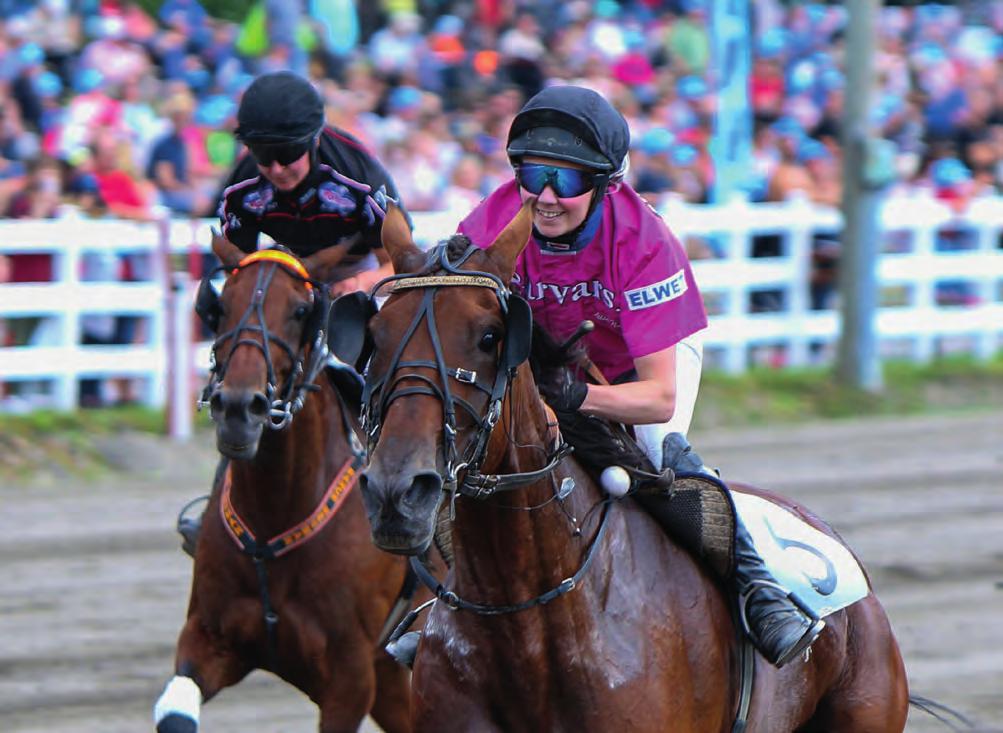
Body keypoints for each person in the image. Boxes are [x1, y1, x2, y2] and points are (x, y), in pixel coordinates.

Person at [456, 84, 824, 669]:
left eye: (568, 181)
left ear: (604, 184)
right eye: (533, 175)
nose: (546, 196)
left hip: (643, 366)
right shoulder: (495, 218)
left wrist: (580, 397)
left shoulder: (642, 242)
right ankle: (438, 607)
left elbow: (657, 398)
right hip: (547, 357)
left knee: (659, 457)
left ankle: (759, 590)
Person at [177, 70, 408, 555]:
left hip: (358, 271)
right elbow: (233, 264)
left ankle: (399, 489)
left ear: (313, 141)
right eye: (265, 158)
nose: (277, 169)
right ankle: (222, 495)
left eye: (287, 155)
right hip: (283, 276)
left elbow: (402, 258)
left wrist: (359, 283)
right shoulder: (241, 187)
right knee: (245, 374)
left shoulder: (357, 175)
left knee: (371, 361)